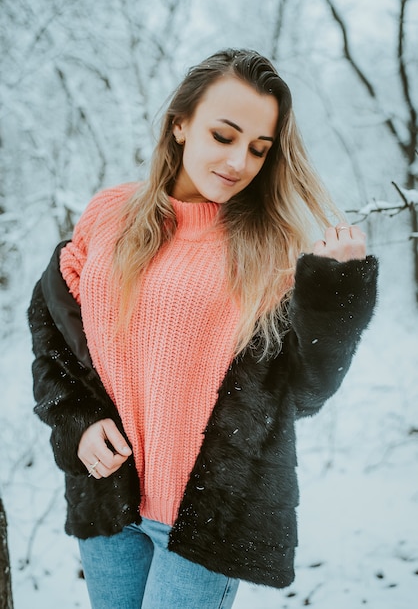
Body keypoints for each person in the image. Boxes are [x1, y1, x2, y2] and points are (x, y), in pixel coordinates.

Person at [28, 48, 378, 609]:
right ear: (181, 124)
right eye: (224, 135)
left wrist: (337, 294)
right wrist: (78, 421)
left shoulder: (270, 252)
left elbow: (304, 392)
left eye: (258, 149)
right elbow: (53, 328)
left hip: (202, 519)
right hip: (108, 497)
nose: (239, 161)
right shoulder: (108, 215)